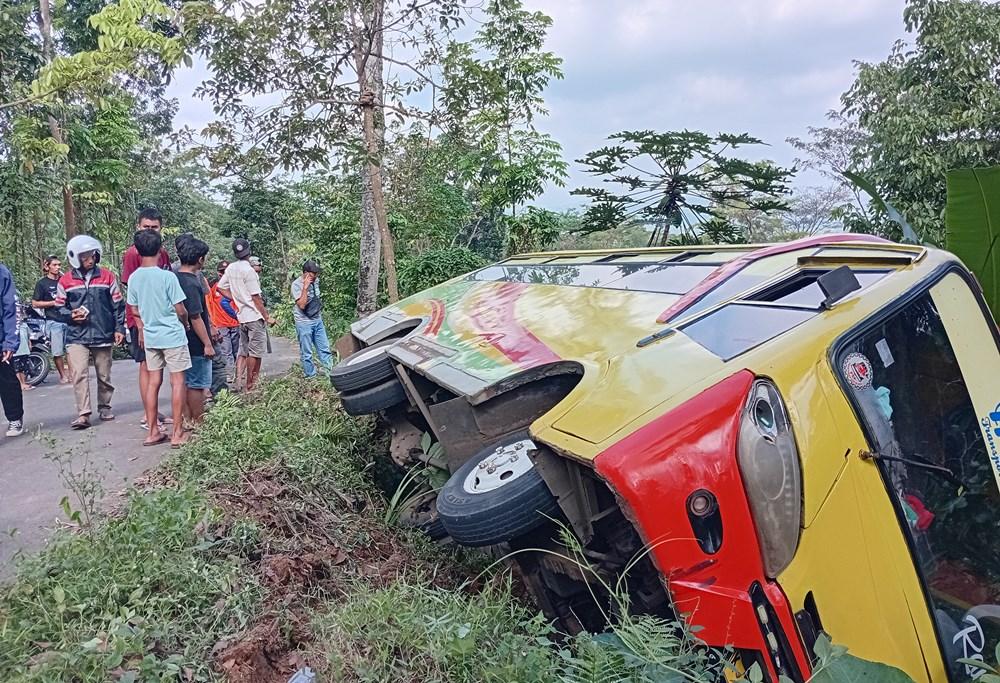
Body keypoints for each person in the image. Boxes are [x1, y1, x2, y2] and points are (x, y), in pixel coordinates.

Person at [126, 229, 190, 448]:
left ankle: (153, 431)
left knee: (153, 382)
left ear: (137, 251)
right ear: (160, 249)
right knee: (177, 381)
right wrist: (185, 322)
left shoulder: (134, 278)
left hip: (151, 337)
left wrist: (143, 327)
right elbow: (180, 309)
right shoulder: (167, 277)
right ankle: (177, 433)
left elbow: (134, 309)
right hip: (172, 335)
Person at [54, 235, 126, 430]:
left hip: (103, 332)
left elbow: (118, 305)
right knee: (79, 373)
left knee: (104, 374)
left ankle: (105, 406)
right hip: (76, 335)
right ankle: (84, 413)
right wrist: (71, 315)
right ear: (75, 258)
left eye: (92, 255)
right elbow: (58, 308)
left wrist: (119, 328)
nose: (90, 259)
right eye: (85, 256)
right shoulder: (65, 281)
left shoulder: (107, 276)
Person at [121, 207, 172, 432]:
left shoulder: (163, 254)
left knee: (158, 368)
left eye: (154, 227)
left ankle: (155, 411)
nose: (150, 230)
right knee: (146, 366)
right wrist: (140, 325)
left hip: (161, 319)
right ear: (138, 227)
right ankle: (147, 415)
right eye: (146, 227)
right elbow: (133, 292)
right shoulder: (133, 254)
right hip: (141, 320)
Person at [217, 239, 275, 392]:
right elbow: (256, 297)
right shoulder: (249, 271)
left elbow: (220, 288)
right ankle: (250, 386)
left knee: (243, 351)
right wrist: (267, 317)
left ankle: (239, 382)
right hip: (254, 316)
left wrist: (236, 299)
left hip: (241, 317)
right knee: (255, 353)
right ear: (248, 252)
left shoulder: (231, 268)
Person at [176, 237, 215, 424]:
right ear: (200, 259)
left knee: (185, 381)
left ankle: (187, 419)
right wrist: (207, 343)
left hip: (181, 338)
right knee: (196, 384)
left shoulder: (175, 278)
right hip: (195, 340)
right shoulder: (191, 283)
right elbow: (195, 316)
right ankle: (198, 421)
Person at [30, 255, 70, 383]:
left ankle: (74, 375)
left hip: (69, 319)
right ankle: (63, 376)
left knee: (71, 350)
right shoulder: (42, 283)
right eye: (54, 265)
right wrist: (53, 302)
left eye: (59, 265)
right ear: (47, 266)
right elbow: (35, 303)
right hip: (53, 321)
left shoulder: (64, 280)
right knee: (57, 351)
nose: (57, 267)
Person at [291, 260, 333, 378]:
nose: (315, 276)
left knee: (324, 348)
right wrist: (305, 288)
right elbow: (302, 305)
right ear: (305, 273)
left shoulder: (316, 281)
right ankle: (311, 376)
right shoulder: (296, 285)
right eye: (313, 273)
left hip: (317, 319)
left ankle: (330, 373)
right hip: (303, 322)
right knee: (307, 352)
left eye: (316, 273)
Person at [0, 261, 24, 438]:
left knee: (6, 381)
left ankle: (15, 418)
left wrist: (9, 342)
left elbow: (11, 309)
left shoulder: (2, 273)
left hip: (1, 339)